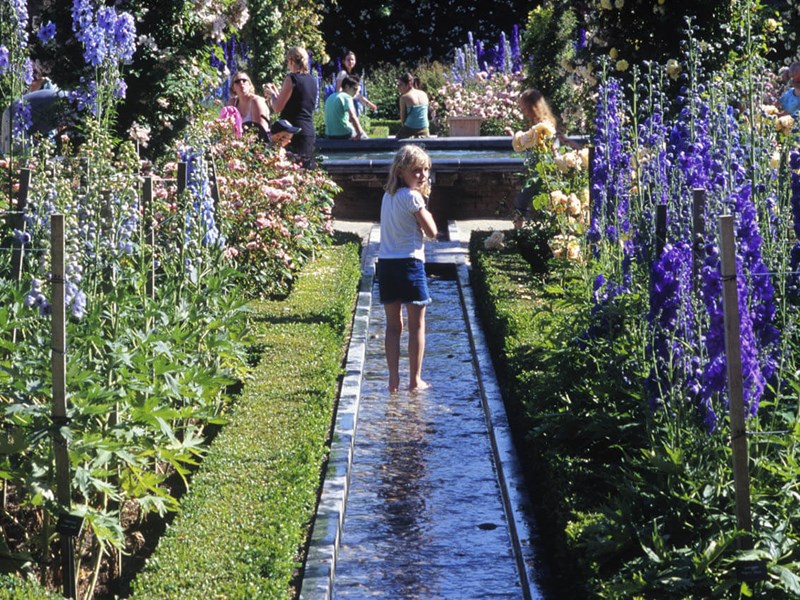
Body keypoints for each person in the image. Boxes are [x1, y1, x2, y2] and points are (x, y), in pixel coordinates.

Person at [378, 144, 438, 392]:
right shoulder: (413, 197)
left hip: (386, 265)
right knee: (416, 325)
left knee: (393, 326)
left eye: (425, 170)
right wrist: (424, 201)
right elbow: (432, 232)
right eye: (416, 171)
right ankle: (415, 380)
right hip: (410, 263)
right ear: (401, 171)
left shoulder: (387, 196)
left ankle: (393, 381)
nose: (422, 175)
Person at [505, 88, 581, 227]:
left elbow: (552, 145)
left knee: (523, 198)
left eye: (524, 107)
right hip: (541, 166)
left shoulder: (543, 124)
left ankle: (517, 233)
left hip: (546, 168)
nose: (522, 110)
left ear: (532, 106)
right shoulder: (538, 122)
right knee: (533, 200)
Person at [265, 46, 317, 166]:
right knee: (305, 173)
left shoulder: (291, 79)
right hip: (307, 130)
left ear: (292, 60)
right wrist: (277, 94)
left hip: (290, 131)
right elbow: (296, 102)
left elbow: (277, 107)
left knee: (288, 172)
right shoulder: (312, 80)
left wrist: (272, 95)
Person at [227, 71, 270, 141]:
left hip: (257, 144)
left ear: (250, 85)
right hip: (236, 144)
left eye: (244, 80)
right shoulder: (232, 103)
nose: (241, 83)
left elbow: (261, 132)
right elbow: (227, 128)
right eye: (237, 81)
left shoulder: (256, 101)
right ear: (233, 88)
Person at [324, 75, 369, 139]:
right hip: (344, 133)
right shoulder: (346, 97)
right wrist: (359, 133)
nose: (356, 92)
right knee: (365, 138)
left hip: (329, 134)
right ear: (347, 87)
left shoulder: (331, 97)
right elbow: (352, 116)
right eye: (355, 89)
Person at [396, 73, 430, 140]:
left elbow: (403, 119)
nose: (398, 87)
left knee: (395, 144)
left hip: (409, 129)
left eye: (400, 85)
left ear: (409, 84)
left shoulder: (404, 97)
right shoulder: (424, 94)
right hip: (425, 129)